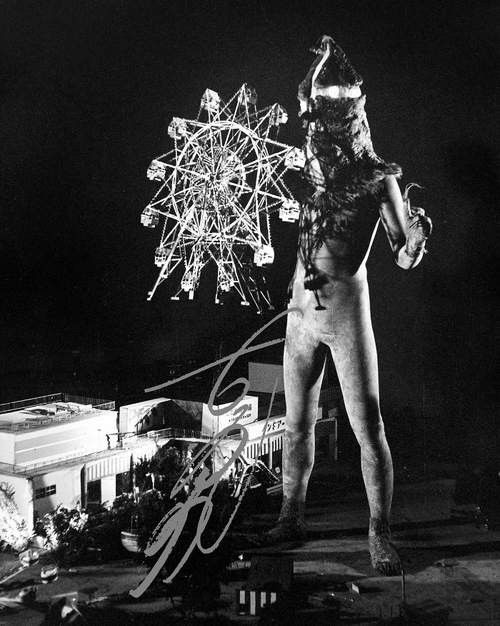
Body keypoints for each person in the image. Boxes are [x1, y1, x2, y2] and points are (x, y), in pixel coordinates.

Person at [267, 36, 432, 576]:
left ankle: (379, 532)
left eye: (327, 128)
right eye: (314, 128)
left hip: (345, 320)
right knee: (296, 425)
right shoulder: (307, 172)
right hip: (300, 318)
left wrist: (414, 242)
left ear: (350, 125)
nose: (318, 139)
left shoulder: (379, 179)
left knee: (368, 428)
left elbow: (402, 254)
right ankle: (291, 514)